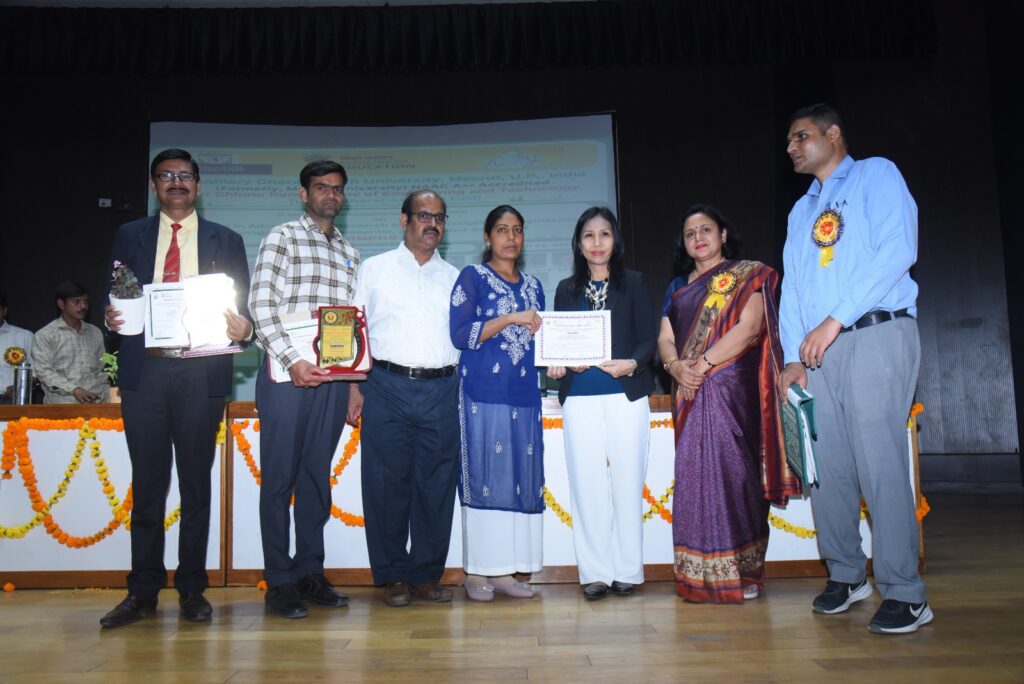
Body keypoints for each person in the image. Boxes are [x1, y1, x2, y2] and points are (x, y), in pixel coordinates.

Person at [778, 103, 930, 634]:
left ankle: (906, 591)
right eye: (789, 141)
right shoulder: (800, 211)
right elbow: (793, 288)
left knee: (878, 461)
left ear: (834, 134)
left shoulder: (876, 175)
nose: (792, 147)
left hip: (876, 332)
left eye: (801, 136)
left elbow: (897, 251)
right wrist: (791, 356)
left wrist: (835, 320)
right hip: (817, 351)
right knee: (827, 467)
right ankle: (845, 573)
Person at [102, 148, 253, 628]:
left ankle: (191, 589)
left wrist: (244, 329)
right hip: (145, 373)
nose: (176, 182)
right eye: (166, 175)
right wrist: (113, 318)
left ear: (198, 185)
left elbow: (244, 313)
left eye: (185, 175)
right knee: (148, 487)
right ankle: (142, 591)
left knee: (195, 486)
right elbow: (118, 297)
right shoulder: (130, 235)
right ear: (154, 186)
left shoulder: (226, 239)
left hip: (200, 373)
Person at [657, 205, 798, 604]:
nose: (698, 238)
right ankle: (697, 573)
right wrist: (675, 367)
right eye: (690, 233)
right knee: (693, 476)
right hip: (688, 391)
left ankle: (743, 571)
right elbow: (665, 337)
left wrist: (701, 365)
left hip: (734, 391)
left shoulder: (747, 275)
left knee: (737, 476)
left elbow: (749, 329)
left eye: (706, 230)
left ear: (722, 235)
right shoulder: (677, 287)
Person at [249, 160, 360, 619]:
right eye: (321, 187)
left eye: (337, 189)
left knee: (316, 476)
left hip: (332, 381)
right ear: (304, 194)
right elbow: (260, 305)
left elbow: (351, 323)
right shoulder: (283, 237)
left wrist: (353, 383)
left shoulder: (350, 253)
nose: (330, 195)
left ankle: (311, 571)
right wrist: (292, 361)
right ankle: (279, 580)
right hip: (286, 377)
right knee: (279, 479)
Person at [347, 189, 461, 607]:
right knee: (385, 483)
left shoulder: (455, 278)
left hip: (441, 389)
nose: (432, 224)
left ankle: (426, 576)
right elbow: (353, 330)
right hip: (385, 386)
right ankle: (393, 574)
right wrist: (352, 386)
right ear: (404, 220)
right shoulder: (373, 269)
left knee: (436, 485)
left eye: (439, 218)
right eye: (424, 216)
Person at [547, 207, 657, 600]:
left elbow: (648, 339)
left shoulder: (634, 282)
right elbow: (558, 345)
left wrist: (632, 363)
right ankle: (594, 573)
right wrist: (558, 363)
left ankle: (627, 571)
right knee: (586, 485)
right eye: (589, 235)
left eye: (604, 234)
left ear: (615, 240)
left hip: (626, 395)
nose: (597, 243)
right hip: (579, 397)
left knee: (627, 483)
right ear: (578, 244)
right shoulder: (565, 289)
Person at [449, 205, 544, 602]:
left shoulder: (535, 285)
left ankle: (506, 571)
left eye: (517, 230)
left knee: (519, 479)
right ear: (487, 237)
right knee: (484, 481)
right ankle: (477, 572)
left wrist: (557, 359)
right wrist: (509, 318)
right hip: (481, 396)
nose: (511, 237)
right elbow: (460, 335)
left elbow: (543, 339)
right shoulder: (472, 277)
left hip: (524, 396)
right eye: (502, 230)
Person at [31, 281, 109, 404]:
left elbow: (102, 369)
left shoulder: (95, 332)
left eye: (85, 301)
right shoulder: (45, 335)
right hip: (62, 406)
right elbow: (43, 372)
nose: (83, 306)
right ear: (61, 304)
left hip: (96, 404)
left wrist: (106, 394)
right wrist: (74, 390)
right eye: (77, 301)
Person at [0, 292, 35, 403]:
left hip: (12, 400)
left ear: (4, 311)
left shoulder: (24, 336)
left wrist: (20, 386)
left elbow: (37, 371)